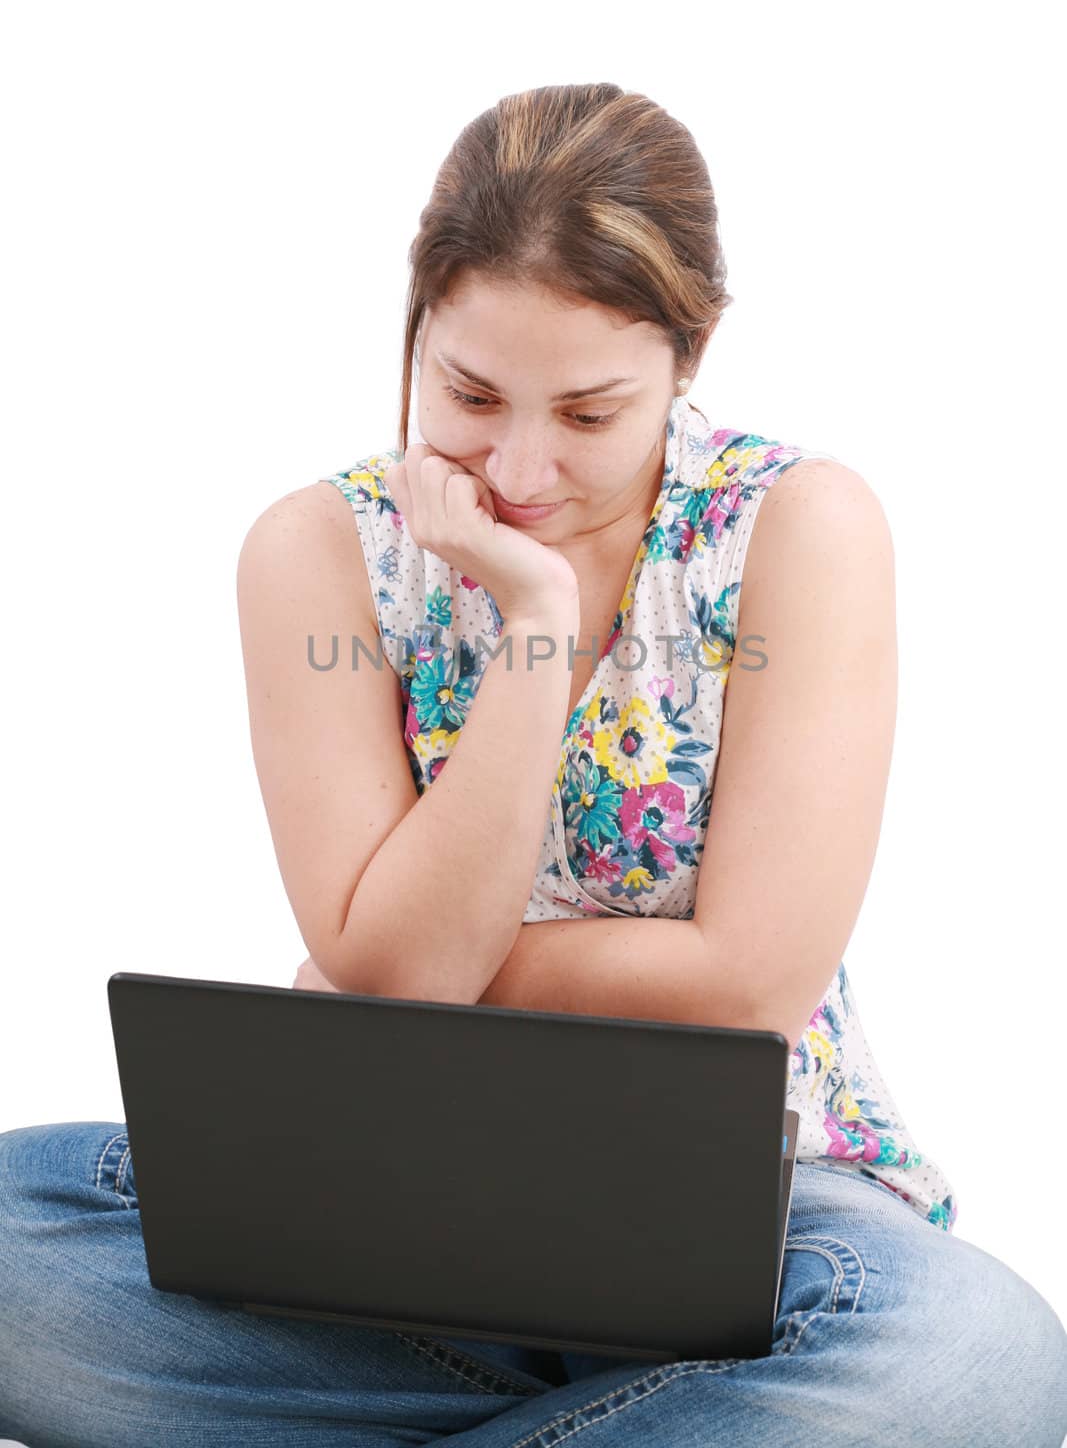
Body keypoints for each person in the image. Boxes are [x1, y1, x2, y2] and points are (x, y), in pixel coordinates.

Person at [1, 83, 1064, 1447]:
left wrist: (390, 975)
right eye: (470, 393)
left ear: (693, 354)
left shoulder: (802, 527)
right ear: (417, 325)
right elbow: (401, 980)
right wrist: (534, 629)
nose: (518, 469)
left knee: (979, 1360)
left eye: (588, 412)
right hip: (394, 1195)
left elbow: (746, 982)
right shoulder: (315, 552)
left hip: (765, 1206)